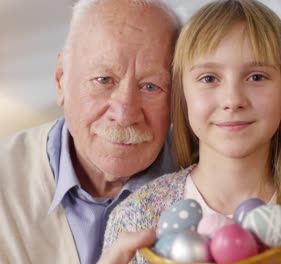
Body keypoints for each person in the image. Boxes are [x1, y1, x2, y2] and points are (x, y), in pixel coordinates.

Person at [101, 0, 281, 263]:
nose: (233, 99)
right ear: (183, 98)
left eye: (256, 77)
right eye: (209, 78)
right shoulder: (135, 218)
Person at [0, 0, 179, 263]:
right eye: (103, 80)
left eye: (151, 86)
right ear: (61, 79)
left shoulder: (210, 180)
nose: (125, 114)